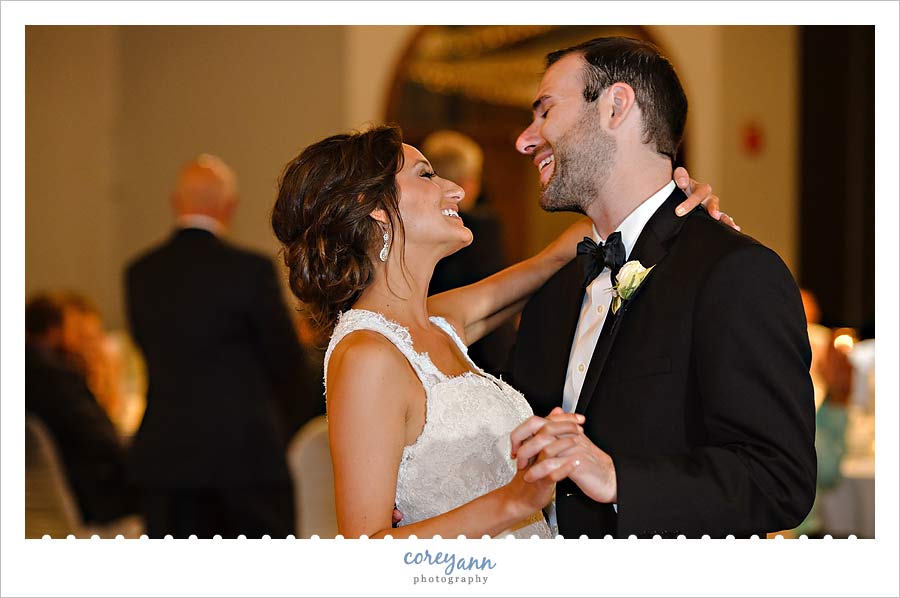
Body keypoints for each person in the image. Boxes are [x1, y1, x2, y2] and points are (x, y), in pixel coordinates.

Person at [271, 125, 724, 538]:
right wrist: (516, 500)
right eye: (426, 176)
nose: (454, 189)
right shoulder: (367, 355)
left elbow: (554, 258)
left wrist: (673, 204)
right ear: (372, 210)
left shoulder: (437, 323)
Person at [507, 37, 816, 538]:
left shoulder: (733, 273)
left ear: (615, 106)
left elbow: (779, 479)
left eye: (545, 111)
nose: (525, 139)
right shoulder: (554, 291)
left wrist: (617, 479)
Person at [125, 154, 304, 538]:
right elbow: (285, 360)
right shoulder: (249, 271)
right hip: (244, 454)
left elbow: (146, 347)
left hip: (166, 454)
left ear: (176, 202)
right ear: (230, 207)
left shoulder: (141, 273)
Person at [25, 293, 136, 525]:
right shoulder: (56, 377)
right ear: (56, 330)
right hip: (88, 501)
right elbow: (106, 442)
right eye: (79, 334)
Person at [422, 130, 515, 376]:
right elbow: (495, 294)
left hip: (426, 350)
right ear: (466, 182)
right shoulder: (481, 227)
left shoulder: (417, 228)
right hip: (475, 352)